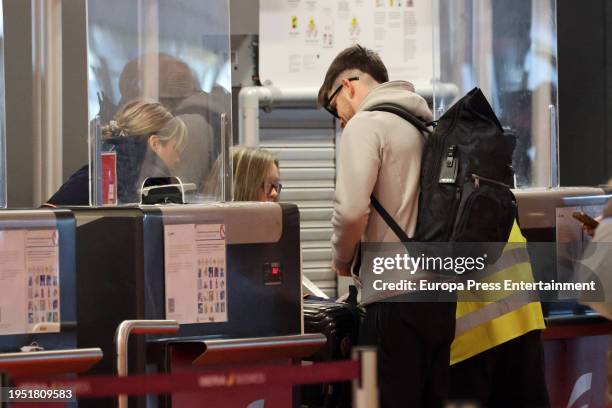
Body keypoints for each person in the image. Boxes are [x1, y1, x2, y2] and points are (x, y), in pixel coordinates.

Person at [317, 44, 456, 407]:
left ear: (348, 85)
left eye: (336, 109)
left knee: (372, 401)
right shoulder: (428, 127)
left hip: (392, 300)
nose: (342, 119)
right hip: (440, 301)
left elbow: (350, 211)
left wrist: (342, 259)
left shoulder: (367, 124)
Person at [47, 99, 186, 205]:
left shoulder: (94, 175)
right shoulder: (150, 186)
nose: (178, 159)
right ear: (155, 143)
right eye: (176, 149)